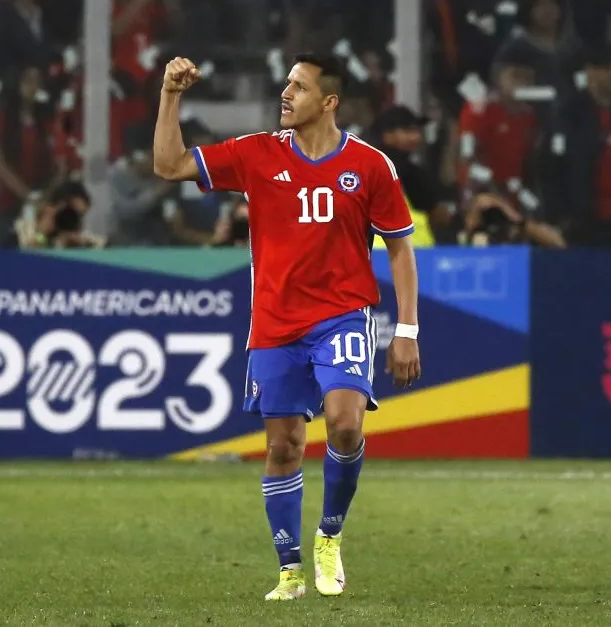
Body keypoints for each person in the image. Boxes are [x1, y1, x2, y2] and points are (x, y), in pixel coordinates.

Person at [153, 53, 421, 601]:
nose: (286, 94)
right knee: (284, 448)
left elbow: (400, 249)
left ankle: (329, 536)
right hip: (275, 324)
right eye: (286, 84)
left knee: (345, 425)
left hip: (342, 316)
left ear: (328, 102)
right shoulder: (256, 154)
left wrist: (407, 331)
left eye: (298, 87)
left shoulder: (371, 166)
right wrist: (169, 95)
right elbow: (169, 165)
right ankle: (290, 573)